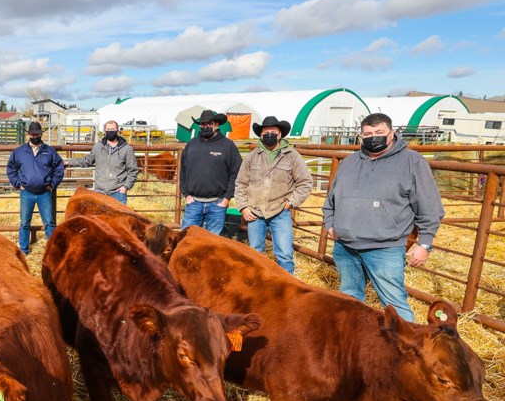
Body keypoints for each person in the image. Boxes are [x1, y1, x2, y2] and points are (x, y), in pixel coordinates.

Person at [323, 112, 444, 321]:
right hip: (345, 245)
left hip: (384, 247)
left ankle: (406, 349)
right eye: (368, 133)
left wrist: (425, 244)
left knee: (393, 303)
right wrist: (330, 224)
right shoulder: (349, 162)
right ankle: (353, 343)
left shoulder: (412, 162)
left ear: (391, 134)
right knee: (349, 299)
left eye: (379, 132)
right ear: (361, 136)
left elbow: (429, 206)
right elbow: (331, 199)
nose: (373, 137)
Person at [234, 116, 313, 274]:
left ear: (279, 134)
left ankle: (287, 286)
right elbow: (240, 183)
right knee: (254, 252)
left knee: (284, 253)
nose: (269, 134)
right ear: (261, 135)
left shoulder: (292, 156)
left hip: (280, 211)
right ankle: (255, 283)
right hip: (255, 211)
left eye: (273, 132)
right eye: (266, 132)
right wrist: (243, 207)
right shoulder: (252, 156)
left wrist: (291, 202)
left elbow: (305, 182)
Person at [179, 110, 242, 234]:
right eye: (202, 124)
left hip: (217, 203)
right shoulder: (192, 144)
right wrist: (187, 195)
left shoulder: (228, 145)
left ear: (216, 125)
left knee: (212, 242)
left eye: (209, 124)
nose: (205, 127)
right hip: (194, 202)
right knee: (186, 237)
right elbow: (183, 172)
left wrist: (226, 199)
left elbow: (236, 173)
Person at [7, 120, 64, 254]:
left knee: (49, 222)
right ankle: (24, 250)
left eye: (37, 134)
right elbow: (11, 168)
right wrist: (17, 183)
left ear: (41, 134)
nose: (35, 136)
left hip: (44, 192)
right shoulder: (19, 151)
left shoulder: (49, 151)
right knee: (25, 222)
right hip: (26, 192)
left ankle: (52, 250)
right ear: (28, 135)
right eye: (32, 134)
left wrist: (52, 183)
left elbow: (59, 168)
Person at [65, 119, 138, 204]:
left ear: (117, 131)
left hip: (118, 192)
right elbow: (86, 161)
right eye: (108, 129)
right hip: (100, 191)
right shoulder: (98, 147)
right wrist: (68, 162)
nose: (110, 131)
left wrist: (125, 187)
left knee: (117, 217)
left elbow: (133, 170)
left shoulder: (126, 149)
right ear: (105, 131)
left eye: (113, 129)